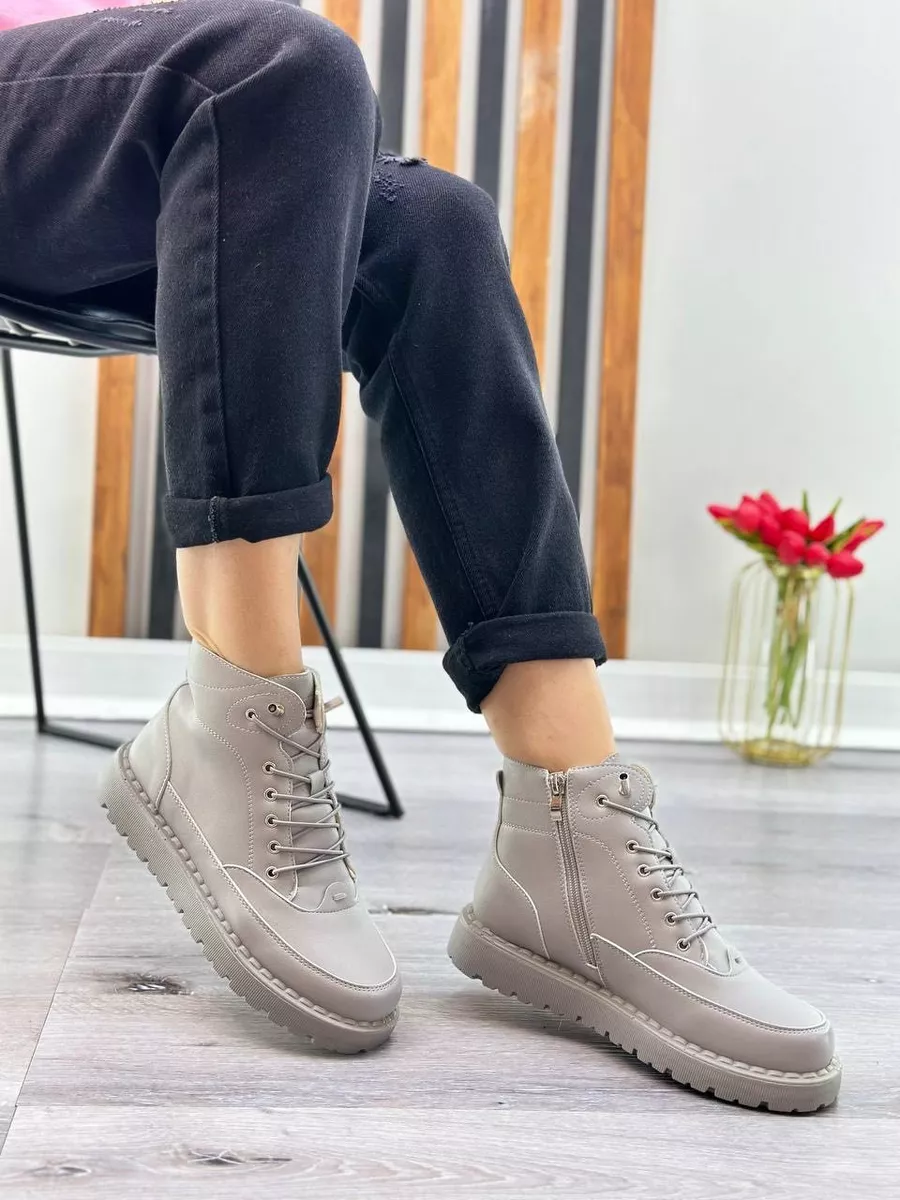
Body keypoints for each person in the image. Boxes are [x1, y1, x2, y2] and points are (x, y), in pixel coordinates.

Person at [0, 0, 839, 1111]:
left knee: (436, 221)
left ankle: (569, 828)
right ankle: (233, 712)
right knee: (271, 66)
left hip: (97, 129)